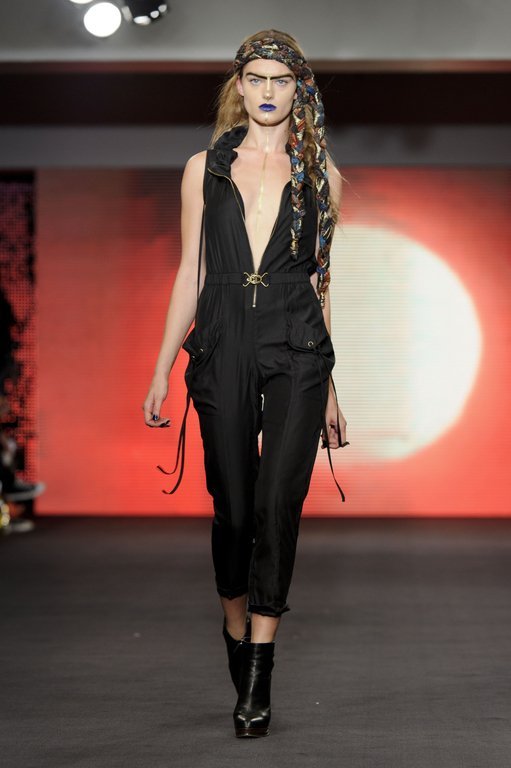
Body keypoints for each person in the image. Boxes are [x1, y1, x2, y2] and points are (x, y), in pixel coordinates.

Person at [142, 29, 349, 738]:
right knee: (232, 506)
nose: (266, 91)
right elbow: (191, 272)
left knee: (276, 503)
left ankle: (259, 666)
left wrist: (331, 386)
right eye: (255, 78)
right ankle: (235, 629)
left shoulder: (320, 175)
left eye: (279, 80)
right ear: (239, 85)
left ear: (299, 90)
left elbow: (321, 286)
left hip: (297, 344)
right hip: (224, 336)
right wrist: (161, 367)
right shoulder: (203, 168)